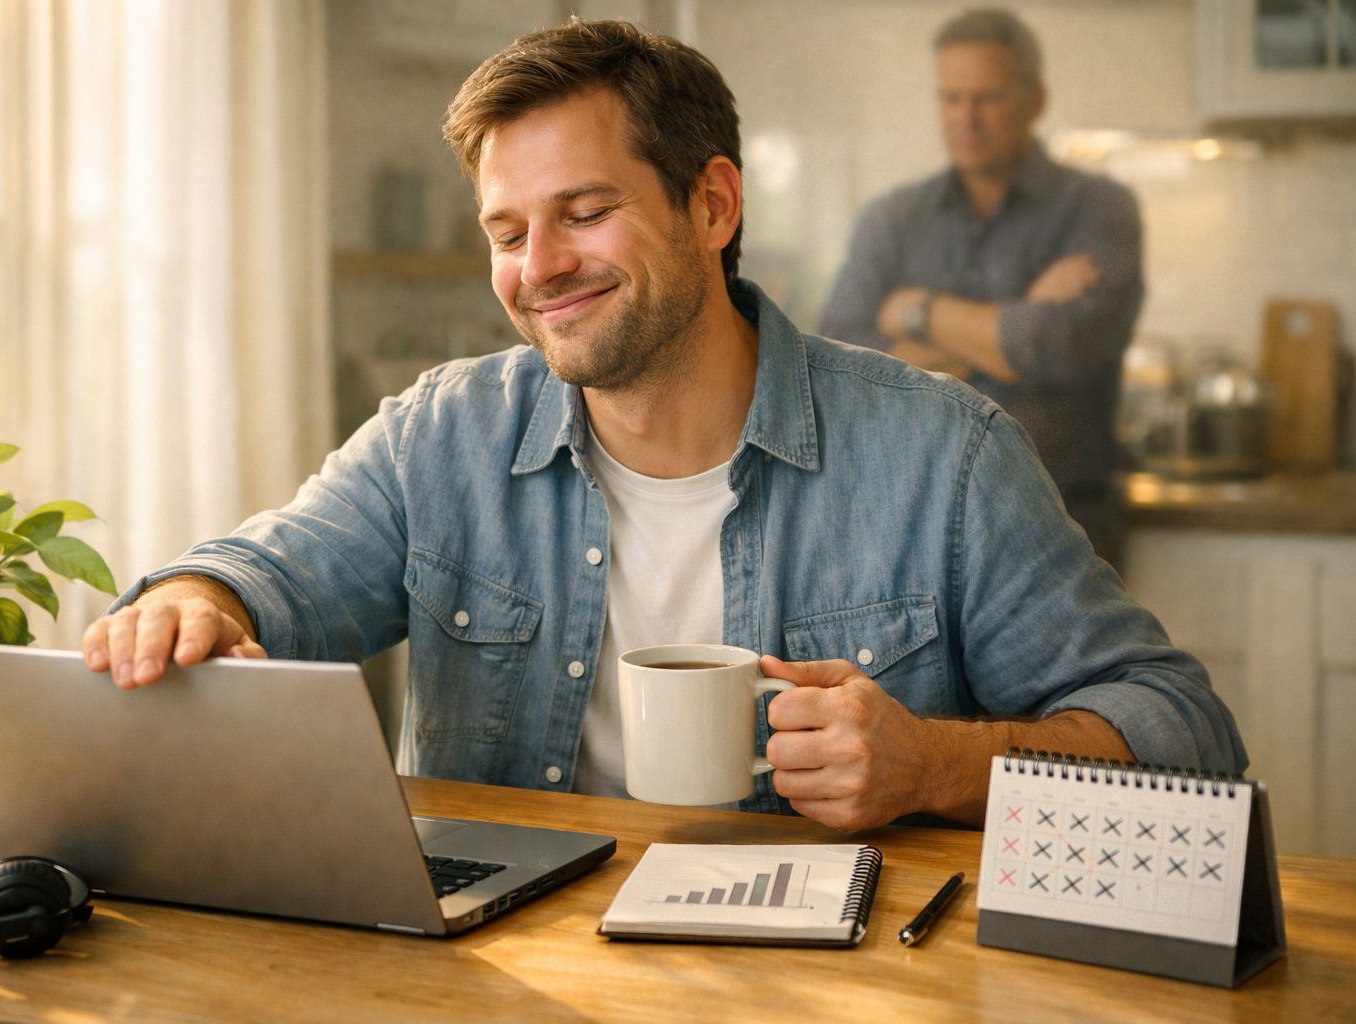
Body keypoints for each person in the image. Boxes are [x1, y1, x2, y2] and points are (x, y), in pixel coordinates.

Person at [82, 18, 1243, 834]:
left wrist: (935, 764)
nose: (539, 270)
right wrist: (199, 600)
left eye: (584, 213)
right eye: (506, 231)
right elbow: (261, 578)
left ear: (714, 205)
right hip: (503, 976)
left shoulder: (945, 457)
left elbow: (1183, 732)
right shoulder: (440, 437)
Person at [819, 7, 1142, 567]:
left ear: (1033, 101)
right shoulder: (892, 218)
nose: (965, 117)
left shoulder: (1099, 208)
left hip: (1062, 527)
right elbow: (839, 363)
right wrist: (1013, 322)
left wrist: (915, 312)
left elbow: (1060, 347)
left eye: (987, 98)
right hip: (910, 525)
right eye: (951, 98)